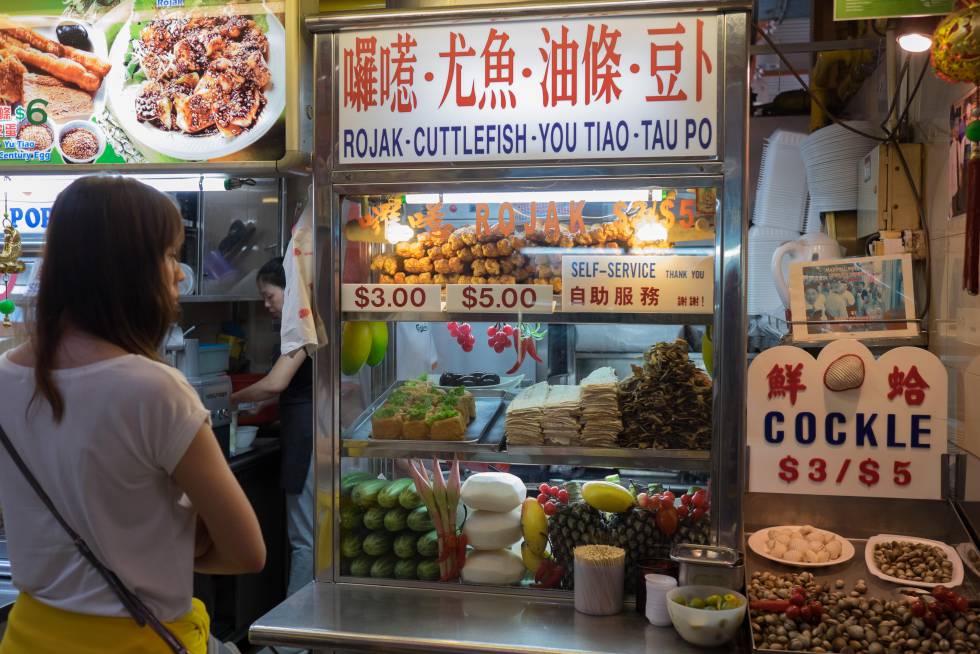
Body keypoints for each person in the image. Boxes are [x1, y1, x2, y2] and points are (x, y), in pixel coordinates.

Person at [0, 176, 265, 654]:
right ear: (125, 269)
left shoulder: (3, 377)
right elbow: (247, 551)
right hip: (137, 641)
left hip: (29, 637)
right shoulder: (154, 389)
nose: (180, 272)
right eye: (168, 254)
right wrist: (174, 544)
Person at [230, 257, 314, 597]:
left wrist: (227, 401)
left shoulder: (302, 328)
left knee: (305, 541)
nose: (266, 305)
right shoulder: (308, 324)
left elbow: (274, 384)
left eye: (269, 296)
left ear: (289, 291)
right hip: (307, 438)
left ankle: (289, 645)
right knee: (311, 538)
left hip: (306, 446)